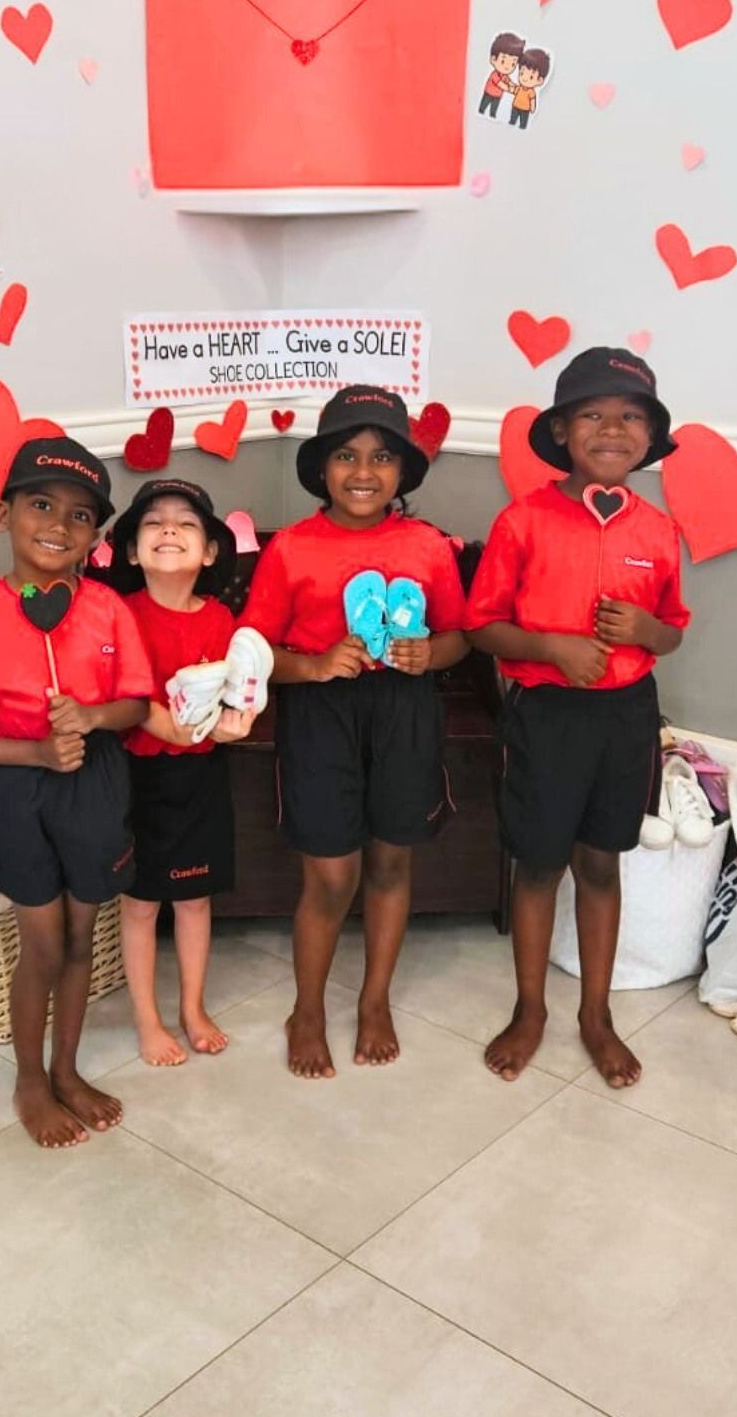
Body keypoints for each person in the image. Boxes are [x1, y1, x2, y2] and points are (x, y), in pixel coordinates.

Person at [466, 348, 690, 1087]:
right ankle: (530, 1009)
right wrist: (550, 647)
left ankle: (597, 1015)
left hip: (625, 719)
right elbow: (481, 626)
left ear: (650, 437)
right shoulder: (522, 521)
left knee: (600, 863)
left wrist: (647, 632)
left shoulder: (657, 530)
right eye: (592, 414)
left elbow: (672, 631)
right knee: (538, 864)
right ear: (562, 430)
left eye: (631, 417)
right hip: (547, 718)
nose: (612, 429)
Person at [0, 437, 153, 1147]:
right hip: (17, 788)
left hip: (95, 781)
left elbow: (137, 703)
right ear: (5, 516)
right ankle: (30, 1079)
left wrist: (91, 716)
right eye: (42, 505)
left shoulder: (109, 611)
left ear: (95, 535)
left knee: (84, 933)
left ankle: (67, 1070)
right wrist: (35, 751)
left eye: (81, 515)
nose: (59, 525)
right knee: (45, 944)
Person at [242, 385, 468, 1079]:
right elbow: (251, 649)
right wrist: (312, 664)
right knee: (332, 875)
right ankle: (307, 1010)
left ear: (402, 471)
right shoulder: (291, 549)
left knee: (392, 862)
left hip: (404, 711)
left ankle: (374, 1001)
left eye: (381, 457)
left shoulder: (427, 546)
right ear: (322, 468)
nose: (363, 472)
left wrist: (430, 653)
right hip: (322, 715)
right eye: (346, 455)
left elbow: (459, 635)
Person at [106, 479, 253, 1066]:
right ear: (133, 551)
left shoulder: (221, 620)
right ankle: (148, 1019)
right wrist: (162, 723)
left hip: (200, 777)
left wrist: (237, 721)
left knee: (194, 899)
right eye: (154, 522)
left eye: (186, 522)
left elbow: (240, 690)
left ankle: (193, 1008)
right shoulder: (119, 616)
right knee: (140, 905)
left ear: (210, 552)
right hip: (135, 779)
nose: (169, 529)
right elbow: (121, 694)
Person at [479, 32, 524, 118]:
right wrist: (511, 90)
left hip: (498, 96)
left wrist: (514, 86)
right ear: (493, 59)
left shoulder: (504, 76)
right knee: (482, 108)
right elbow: (501, 84)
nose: (507, 67)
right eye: (503, 61)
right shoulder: (494, 75)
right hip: (488, 93)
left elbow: (508, 81)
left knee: (493, 112)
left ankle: (492, 116)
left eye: (513, 64)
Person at [508, 47, 550, 130]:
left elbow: (532, 100)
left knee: (523, 124)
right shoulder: (520, 87)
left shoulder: (531, 92)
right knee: (512, 121)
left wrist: (533, 108)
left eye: (531, 77)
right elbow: (514, 90)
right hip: (515, 106)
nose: (524, 78)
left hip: (525, 110)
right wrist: (509, 87)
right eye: (522, 73)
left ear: (540, 80)